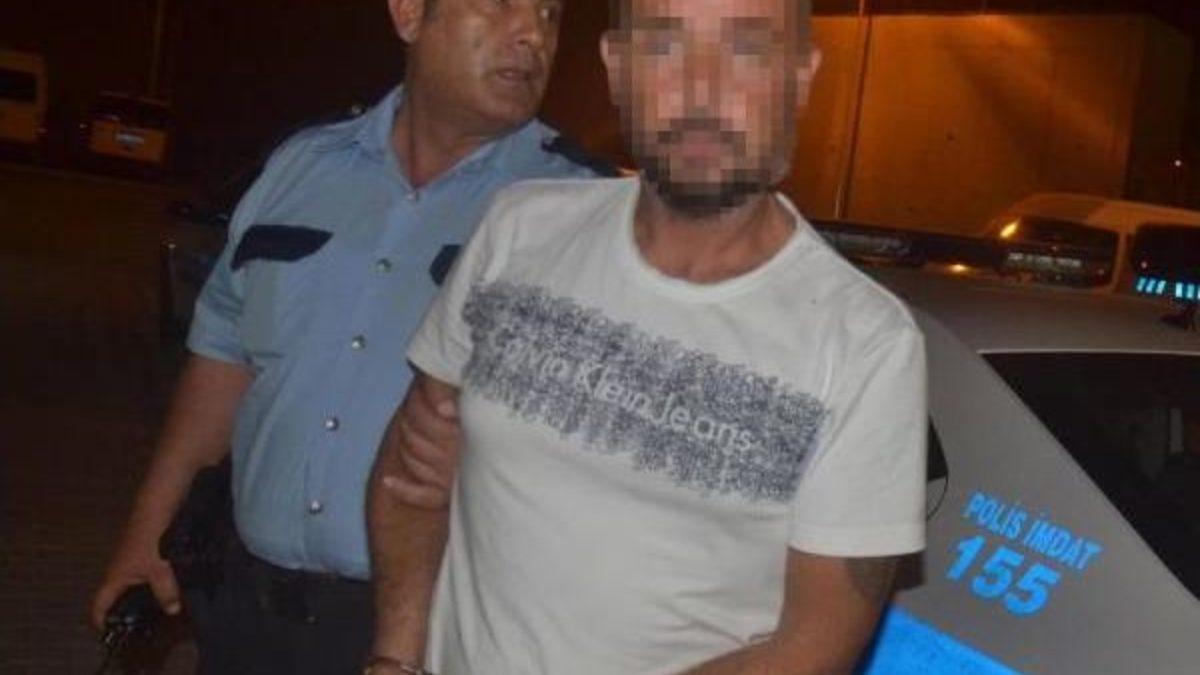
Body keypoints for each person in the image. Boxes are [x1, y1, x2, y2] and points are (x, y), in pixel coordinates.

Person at [368, 0, 929, 673]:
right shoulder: (519, 230)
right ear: (617, 69)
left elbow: (814, 645)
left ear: (801, 78)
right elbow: (411, 476)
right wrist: (394, 659)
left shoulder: (867, 342)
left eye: (746, 51)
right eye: (666, 47)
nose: (702, 91)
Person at [90, 0, 598, 672]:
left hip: (433, 633)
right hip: (243, 610)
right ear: (410, 14)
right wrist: (148, 532)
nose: (533, 33)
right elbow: (224, 355)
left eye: (551, 14)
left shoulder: (579, 210)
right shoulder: (303, 166)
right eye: (500, 2)